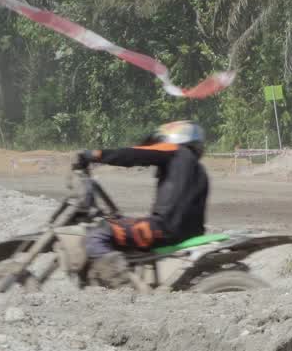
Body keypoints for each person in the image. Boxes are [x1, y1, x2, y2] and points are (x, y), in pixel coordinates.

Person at [74, 120, 209, 288]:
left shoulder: (175, 151)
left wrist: (96, 155)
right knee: (120, 224)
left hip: (162, 230)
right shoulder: (200, 170)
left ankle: (122, 289)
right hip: (186, 233)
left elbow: (136, 154)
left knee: (97, 234)